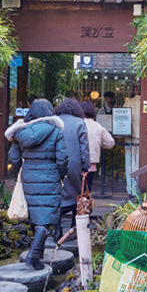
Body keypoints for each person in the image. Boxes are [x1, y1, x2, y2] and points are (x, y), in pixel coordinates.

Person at [5, 99, 69, 270]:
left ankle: (38, 253)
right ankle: (33, 255)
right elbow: (62, 159)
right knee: (45, 217)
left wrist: (23, 170)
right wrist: (60, 174)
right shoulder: (56, 132)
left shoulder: (21, 132)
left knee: (35, 214)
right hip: (50, 175)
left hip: (28, 175)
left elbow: (14, 158)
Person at [53, 98, 89, 238]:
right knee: (76, 196)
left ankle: (57, 230)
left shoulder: (54, 121)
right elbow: (84, 147)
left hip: (56, 163)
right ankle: (74, 229)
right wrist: (85, 165)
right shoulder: (80, 123)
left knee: (57, 195)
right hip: (74, 164)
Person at [81, 101, 115, 191]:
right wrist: (100, 144)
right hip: (91, 164)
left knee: (75, 191)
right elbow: (110, 143)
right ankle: (86, 204)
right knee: (87, 191)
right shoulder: (97, 126)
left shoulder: (77, 124)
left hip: (76, 164)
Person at [123, 88, 141, 196]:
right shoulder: (145, 102)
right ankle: (138, 189)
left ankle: (130, 189)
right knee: (139, 162)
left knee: (129, 163)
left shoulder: (128, 102)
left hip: (129, 138)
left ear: (135, 90)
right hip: (142, 138)